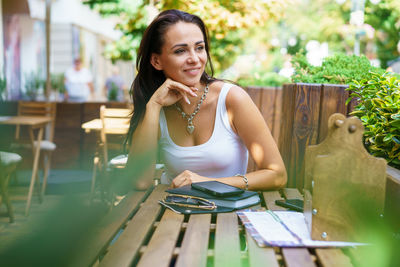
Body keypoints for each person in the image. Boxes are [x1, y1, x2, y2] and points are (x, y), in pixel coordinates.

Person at [126, 9, 287, 191]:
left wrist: (208, 183)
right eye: (180, 51)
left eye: (199, 48)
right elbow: (138, 182)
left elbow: (277, 175)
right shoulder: (157, 106)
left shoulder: (231, 99)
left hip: (226, 216)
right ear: (156, 61)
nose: (195, 59)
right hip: (172, 212)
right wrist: (154, 106)